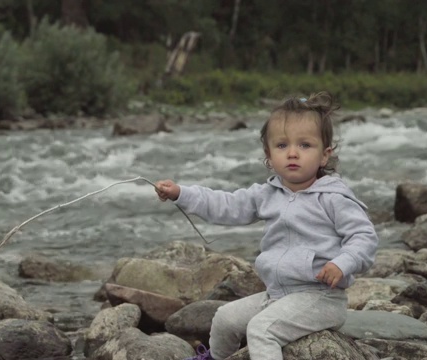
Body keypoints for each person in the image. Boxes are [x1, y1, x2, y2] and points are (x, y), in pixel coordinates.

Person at [155, 92, 378, 360]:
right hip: (277, 295)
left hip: (321, 299)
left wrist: (343, 262)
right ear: (269, 155)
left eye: (305, 145)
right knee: (225, 317)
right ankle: (215, 357)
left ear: (324, 155)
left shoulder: (333, 196)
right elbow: (226, 205)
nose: (293, 153)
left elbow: (364, 237)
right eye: (282, 146)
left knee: (261, 330)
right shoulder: (268, 194)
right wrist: (182, 193)